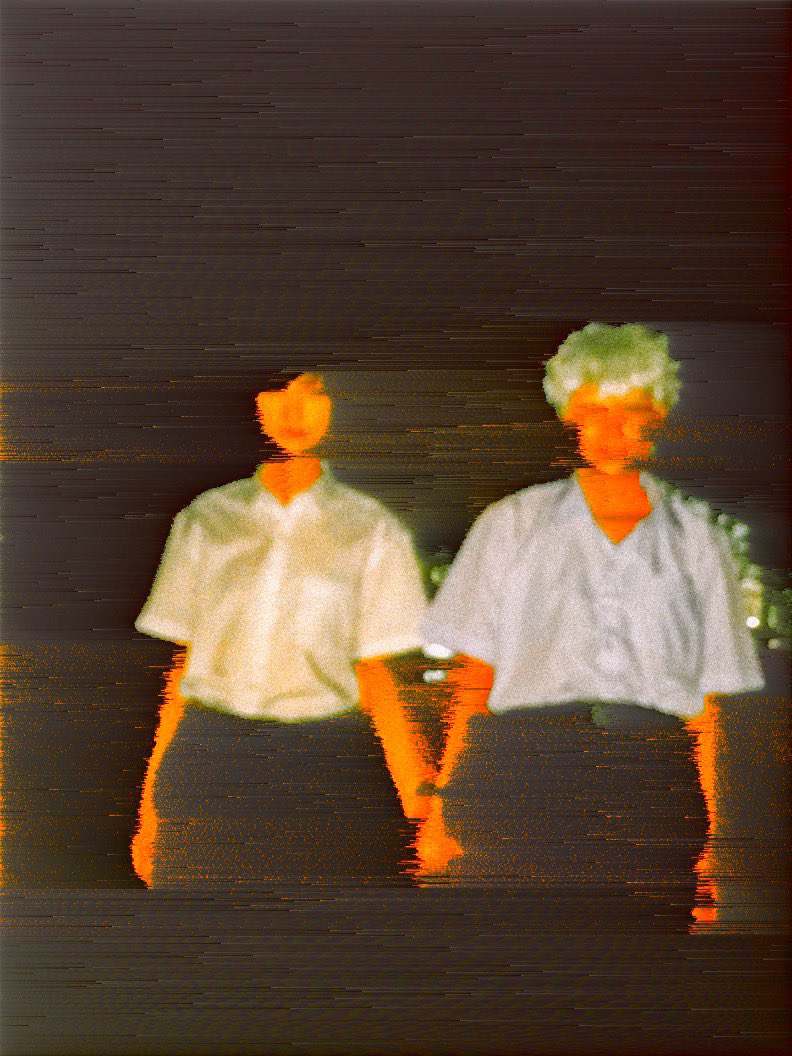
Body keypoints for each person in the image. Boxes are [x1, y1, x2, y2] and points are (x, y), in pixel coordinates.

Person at [416, 323, 764, 915]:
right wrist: (440, 809)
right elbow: (475, 675)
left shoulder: (698, 539)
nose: (611, 431)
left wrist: (717, 836)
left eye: (630, 411)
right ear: (570, 416)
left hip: (653, 780)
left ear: (658, 416)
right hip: (522, 772)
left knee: (641, 952)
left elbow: (708, 706)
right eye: (594, 412)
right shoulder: (511, 523)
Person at [132, 371, 428, 886]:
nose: (294, 413)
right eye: (278, 392)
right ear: (252, 403)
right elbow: (181, 669)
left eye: (313, 392)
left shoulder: (372, 527)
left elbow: (379, 677)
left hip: (327, 760)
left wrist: (422, 809)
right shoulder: (205, 518)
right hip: (209, 754)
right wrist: (148, 804)